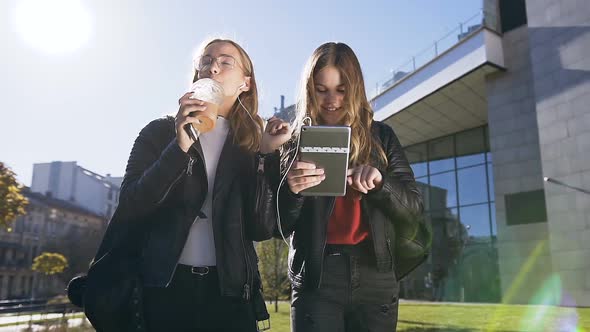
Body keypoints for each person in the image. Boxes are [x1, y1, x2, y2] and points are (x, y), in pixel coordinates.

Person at [91, 38, 289, 332]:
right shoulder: (159, 132)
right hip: (164, 289)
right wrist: (178, 147)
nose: (213, 68)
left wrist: (265, 155)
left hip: (231, 293)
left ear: (244, 83)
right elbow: (131, 204)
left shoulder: (251, 143)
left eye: (225, 62)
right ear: (197, 75)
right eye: (206, 61)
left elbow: (262, 228)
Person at [277, 42, 426, 332]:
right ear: (309, 89)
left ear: (355, 88)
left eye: (341, 89)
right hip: (317, 277)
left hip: (376, 273)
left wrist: (381, 183)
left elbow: (413, 208)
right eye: (321, 90)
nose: (331, 100)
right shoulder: (294, 141)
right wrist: (292, 189)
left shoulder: (382, 136)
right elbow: (278, 225)